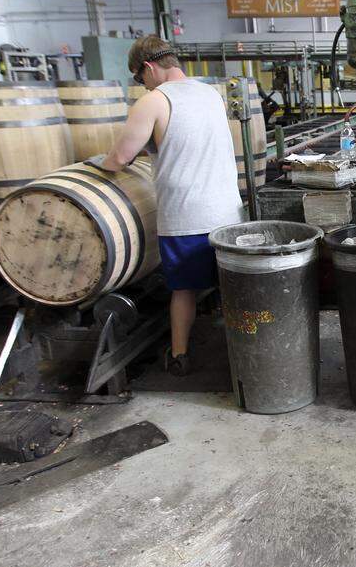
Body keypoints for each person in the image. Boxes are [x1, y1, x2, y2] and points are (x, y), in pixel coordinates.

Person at [87, 35, 243, 376]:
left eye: (139, 78)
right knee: (229, 286)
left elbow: (120, 158)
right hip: (228, 213)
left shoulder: (154, 102)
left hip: (186, 215)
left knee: (184, 290)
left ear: (148, 67)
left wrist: (94, 164)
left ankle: (179, 356)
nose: (141, 85)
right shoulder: (211, 94)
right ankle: (243, 351)